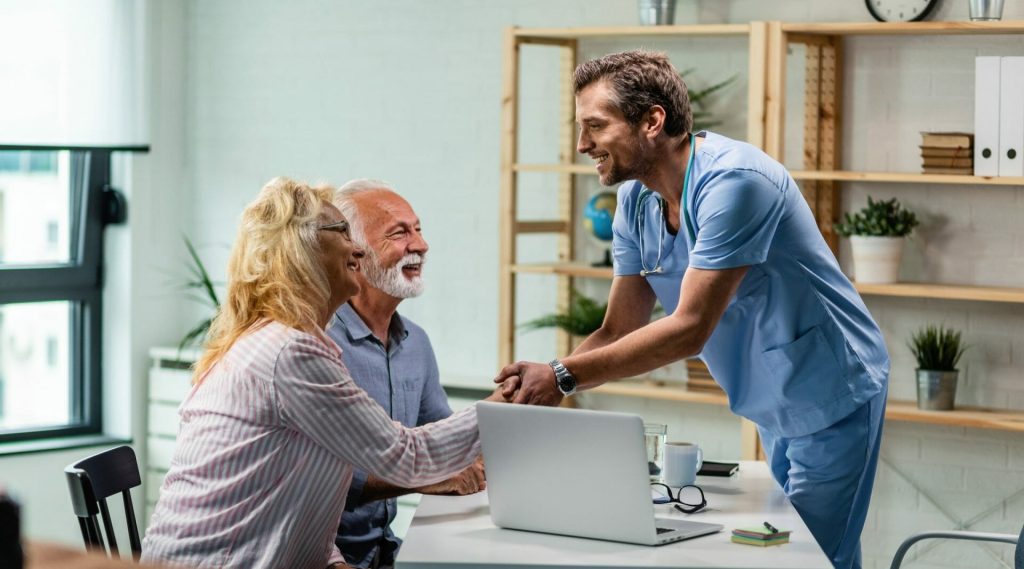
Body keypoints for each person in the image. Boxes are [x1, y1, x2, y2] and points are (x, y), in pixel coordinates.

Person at [494, 50, 889, 569]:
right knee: (808, 552)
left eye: (595, 125)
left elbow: (688, 330)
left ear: (652, 121)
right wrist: (526, 396)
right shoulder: (636, 204)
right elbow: (617, 330)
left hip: (833, 390)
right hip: (773, 399)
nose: (582, 144)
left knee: (806, 560)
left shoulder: (735, 183)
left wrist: (563, 376)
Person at [142, 177, 498, 569]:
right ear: (303, 249)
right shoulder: (291, 353)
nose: (357, 248)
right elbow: (406, 457)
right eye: (343, 232)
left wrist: (330, 561)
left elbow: (285, 489)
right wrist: (527, 393)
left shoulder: (289, 343)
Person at [328, 179, 484, 569]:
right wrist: (422, 478)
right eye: (399, 233)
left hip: (384, 552)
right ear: (354, 253)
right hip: (317, 556)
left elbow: (447, 442)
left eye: (418, 229)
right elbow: (320, 478)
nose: (421, 245)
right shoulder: (316, 344)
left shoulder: (417, 343)